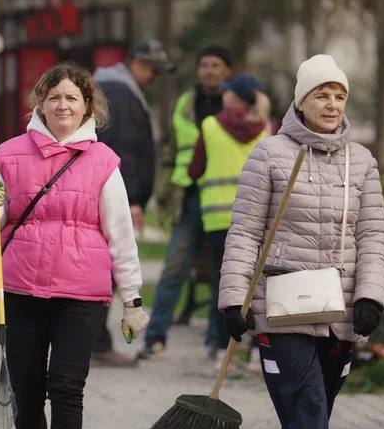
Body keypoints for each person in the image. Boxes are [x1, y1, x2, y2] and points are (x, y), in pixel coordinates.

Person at [218, 53, 384, 429]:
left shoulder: (363, 161)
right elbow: (246, 231)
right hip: (283, 305)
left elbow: (373, 234)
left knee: (309, 413)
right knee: (308, 402)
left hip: (339, 313)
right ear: (301, 100)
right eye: (321, 94)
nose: (332, 104)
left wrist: (371, 296)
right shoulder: (269, 155)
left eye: (339, 95)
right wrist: (234, 300)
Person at [0, 63, 147, 429]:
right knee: (27, 395)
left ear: (87, 105)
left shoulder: (104, 163)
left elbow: (121, 235)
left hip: (82, 294)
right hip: (22, 288)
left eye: (72, 98)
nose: (63, 106)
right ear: (40, 104)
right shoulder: (9, 155)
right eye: (54, 98)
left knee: (67, 391)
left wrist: (131, 299)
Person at [138, 45, 234, 359]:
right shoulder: (184, 104)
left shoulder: (236, 108)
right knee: (173, 269)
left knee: (224, 274)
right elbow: (170, 152)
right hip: (189, 199)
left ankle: (217, 343)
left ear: (227, 71)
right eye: (204, 64)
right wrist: (164, 196)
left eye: (215, 65)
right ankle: (155, 339)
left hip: (225, 204)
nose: (208, 70)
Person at [92, 39, 175, 366]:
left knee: (103, 269)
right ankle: (97, 344)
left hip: (114, 193)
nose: (154, 77)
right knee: (108, 271)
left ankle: (93, 341)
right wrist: (132, 199)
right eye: (152, 70)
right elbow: (124, 150)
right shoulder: (122, 94)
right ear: (136, 64)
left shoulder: (113, 87)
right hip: (119, 196)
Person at [186, 73, 272, 365]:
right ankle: (259, 351)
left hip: (218, 219)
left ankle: (223, 350)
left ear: (233, 97)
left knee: (224, 285)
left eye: (227, 92)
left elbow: (194, 170)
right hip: (258, 219)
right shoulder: (266, 128)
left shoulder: (210, 126)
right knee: (258, 285)